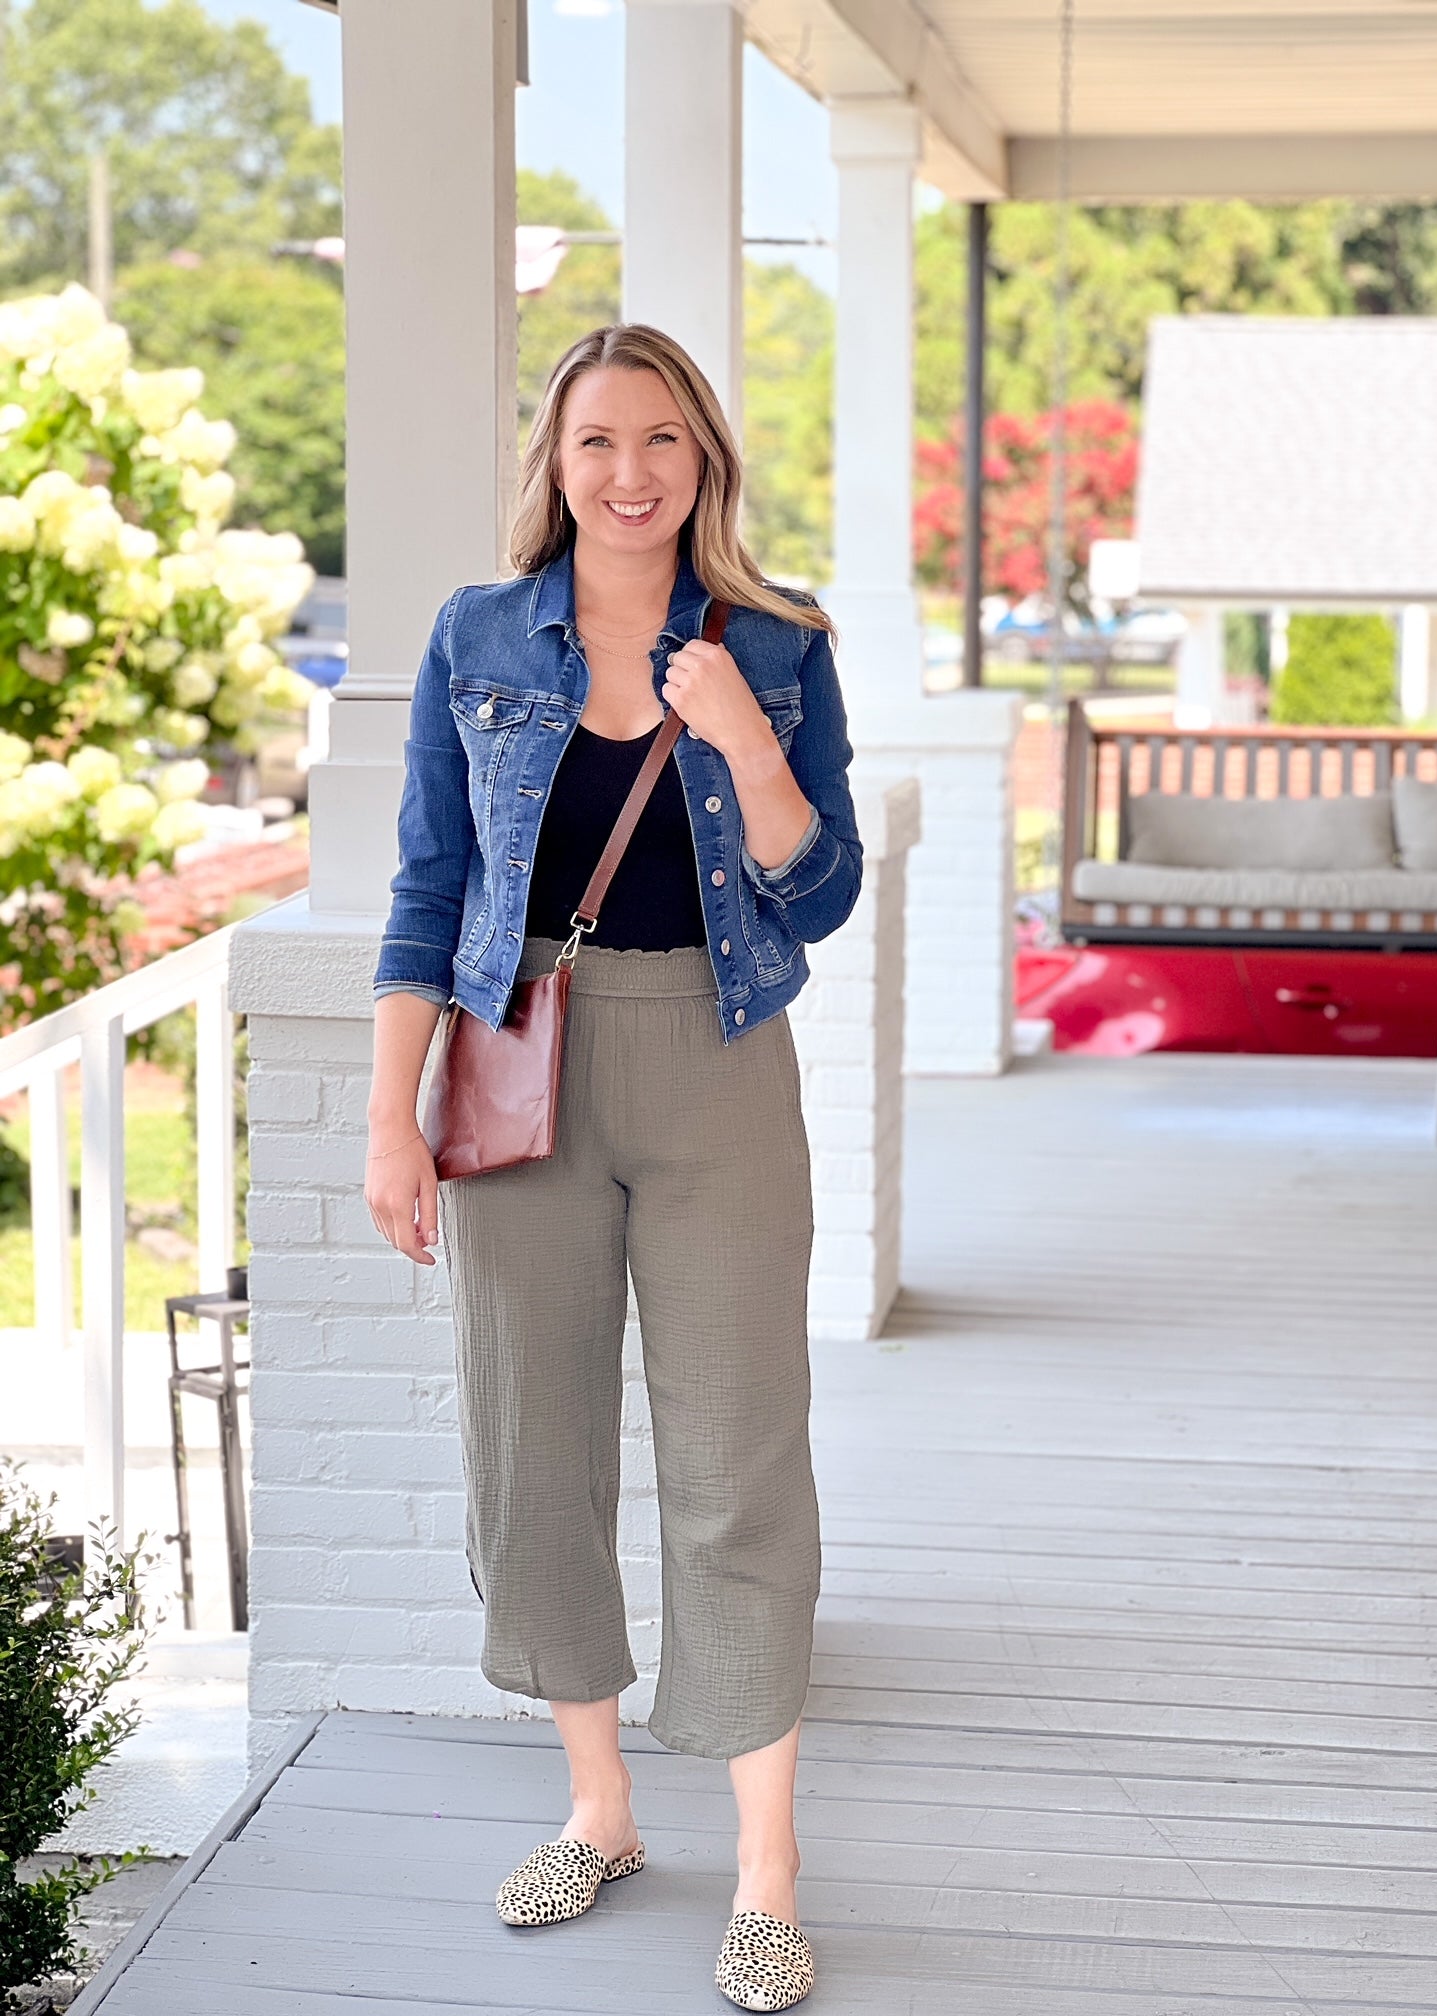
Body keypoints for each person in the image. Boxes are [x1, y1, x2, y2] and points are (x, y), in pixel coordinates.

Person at [363, 323, 862, 2012]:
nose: (631, 472)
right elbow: (430, 888)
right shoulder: (476, 635)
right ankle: (601, 1807)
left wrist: (744, 739)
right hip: (520, 1062)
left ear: (702, 456)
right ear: (556, 463)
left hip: (717, 1062)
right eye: (598, 441)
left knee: (739, 1459)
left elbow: (820, 891)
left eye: (661, 439)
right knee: (534, 1452)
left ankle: (769, 1869)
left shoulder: (776, 641)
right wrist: (392, 1117)